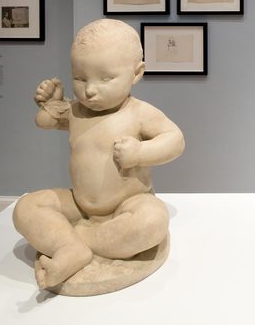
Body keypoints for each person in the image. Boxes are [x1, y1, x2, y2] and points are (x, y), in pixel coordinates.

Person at [12, 19, 185, 290]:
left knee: (152, 221)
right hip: (79, 204)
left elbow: (175, 140)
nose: (90, 90)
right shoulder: (76, 110)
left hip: (127, 204)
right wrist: (52, 104)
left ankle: (74, 241)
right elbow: (44, 122)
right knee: (26, 207)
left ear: (136, 73)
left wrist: (140, 152)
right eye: (80, 78)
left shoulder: (139, 112)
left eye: (105, 78)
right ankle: (70, 248)